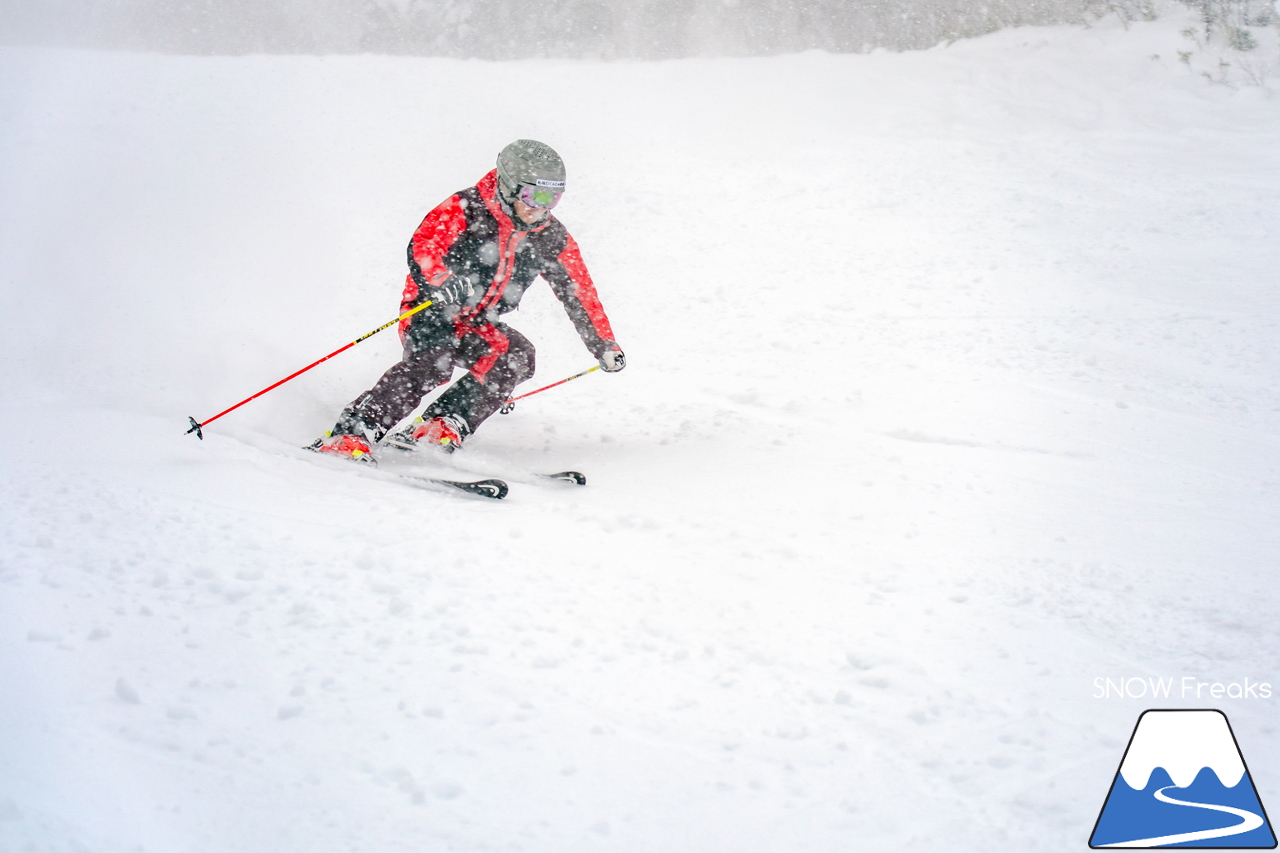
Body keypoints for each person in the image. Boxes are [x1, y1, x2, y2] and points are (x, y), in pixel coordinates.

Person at [310, 139, 624, 462]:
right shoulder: (467, 208)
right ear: (509, 186)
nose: (539, 207)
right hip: (432, 310)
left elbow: (579, 291)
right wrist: (442, 282)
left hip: (478, 321)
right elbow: (424, 244)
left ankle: (442, 422)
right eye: (532, 195)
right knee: (433, 364)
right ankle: (352, 432)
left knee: (516, 355)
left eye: (551, 198)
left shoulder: (550, 236)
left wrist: (604, 344)